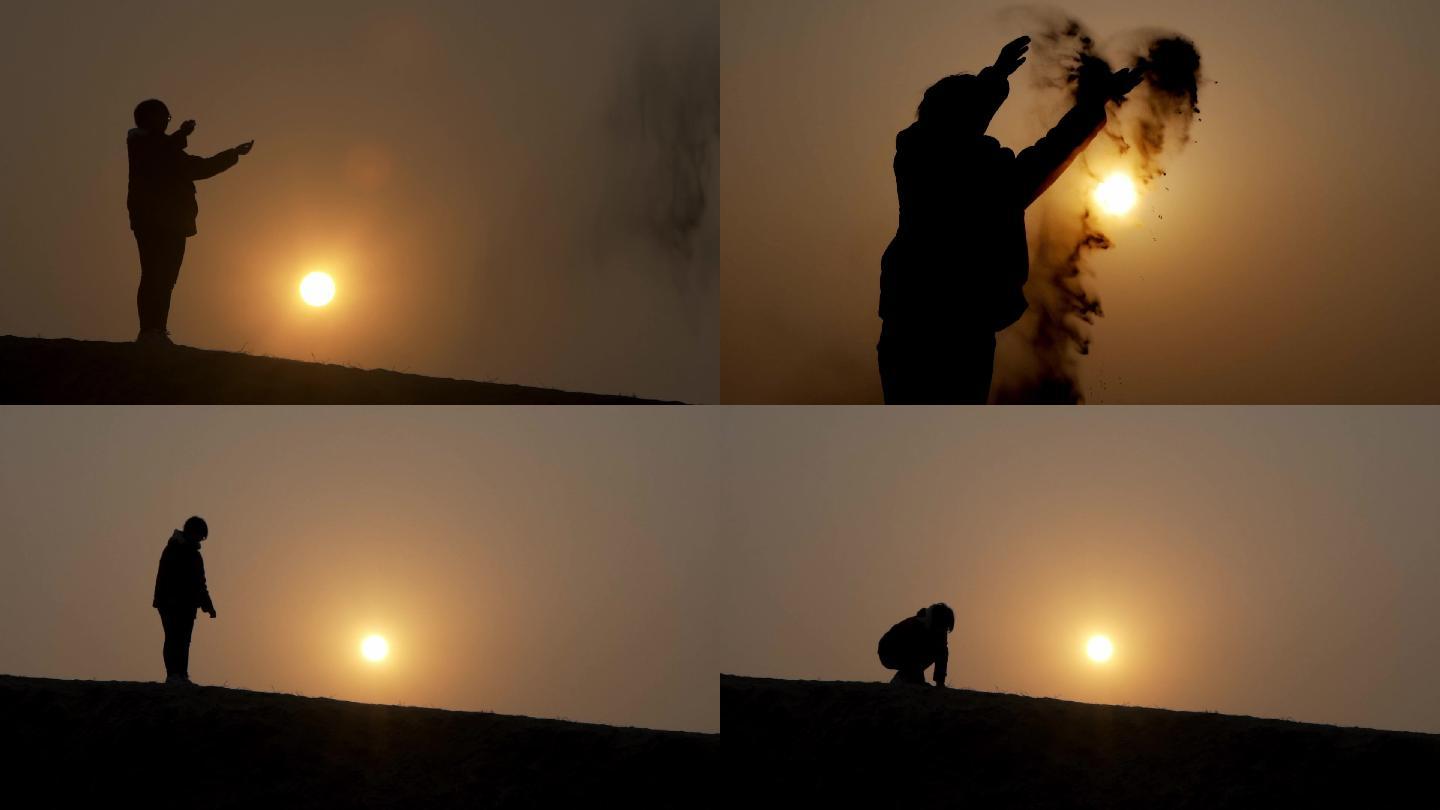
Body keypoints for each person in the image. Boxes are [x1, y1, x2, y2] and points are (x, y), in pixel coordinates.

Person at [877, 37, 1144, 404]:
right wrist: (1091, 104)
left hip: (921, 321)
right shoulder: (972, 170)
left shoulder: (918, 155)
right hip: (951, 328)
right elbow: (1048, 152)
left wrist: (997, 77)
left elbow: (970, 119)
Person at [126, 99, 254, 346]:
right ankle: (148, 332)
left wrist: (232, 154)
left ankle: (157, 331)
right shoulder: (141, 144)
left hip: (175, 222)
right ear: (149, 117)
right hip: (152, 220)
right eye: (163, 116)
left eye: (168, 117)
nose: (166, 121)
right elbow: (159, 156)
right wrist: (182, 133)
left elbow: (200, 168)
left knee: (166, 278)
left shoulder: (168, 150)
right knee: (154, 274)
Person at [152, 515, 218, 685]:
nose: (201, 540)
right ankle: (173, 675)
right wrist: (169, 601)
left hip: (187, 605)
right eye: (200, 535)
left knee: (184, 640)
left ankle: (182, 675)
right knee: (173, 637)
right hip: (170, 603)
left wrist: (208, 606)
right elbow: (166, 579)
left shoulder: (195, 556)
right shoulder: (173, 550)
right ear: (192, 532)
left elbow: (200, 583)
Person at [878, 603, 954, 686]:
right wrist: (919, 681)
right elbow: (914, 655)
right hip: (888, 651)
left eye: (945, 628)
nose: (943, 631)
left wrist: (940, 682)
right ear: (937, 621)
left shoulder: (939, 632)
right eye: (943, 626)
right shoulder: (915, 626)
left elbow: (942, 653)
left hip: (907, 654)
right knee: (920, 653)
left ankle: (906, 679)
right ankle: (901, 681)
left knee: (941, 650)